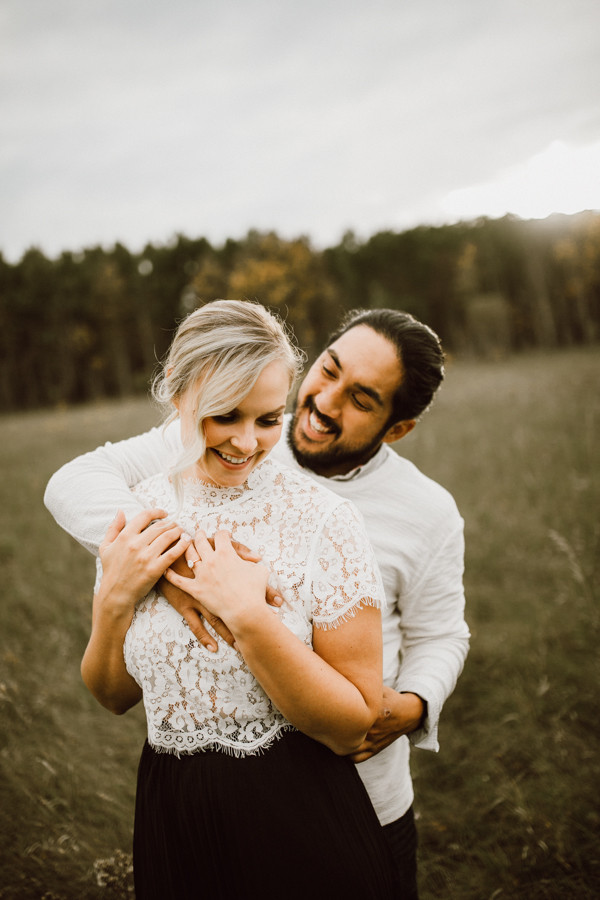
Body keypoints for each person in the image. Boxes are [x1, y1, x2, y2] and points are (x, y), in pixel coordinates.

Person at [45, 305, 470, 899]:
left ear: (396, 429)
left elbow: (439, 634)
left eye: (361, 398)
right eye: (329, 369)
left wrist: (415, 704)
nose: (323, 402)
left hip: (345, 794)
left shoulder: (409, 512)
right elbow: (75, 481)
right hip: (176, 813)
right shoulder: (170, 483)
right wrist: (154, 577)